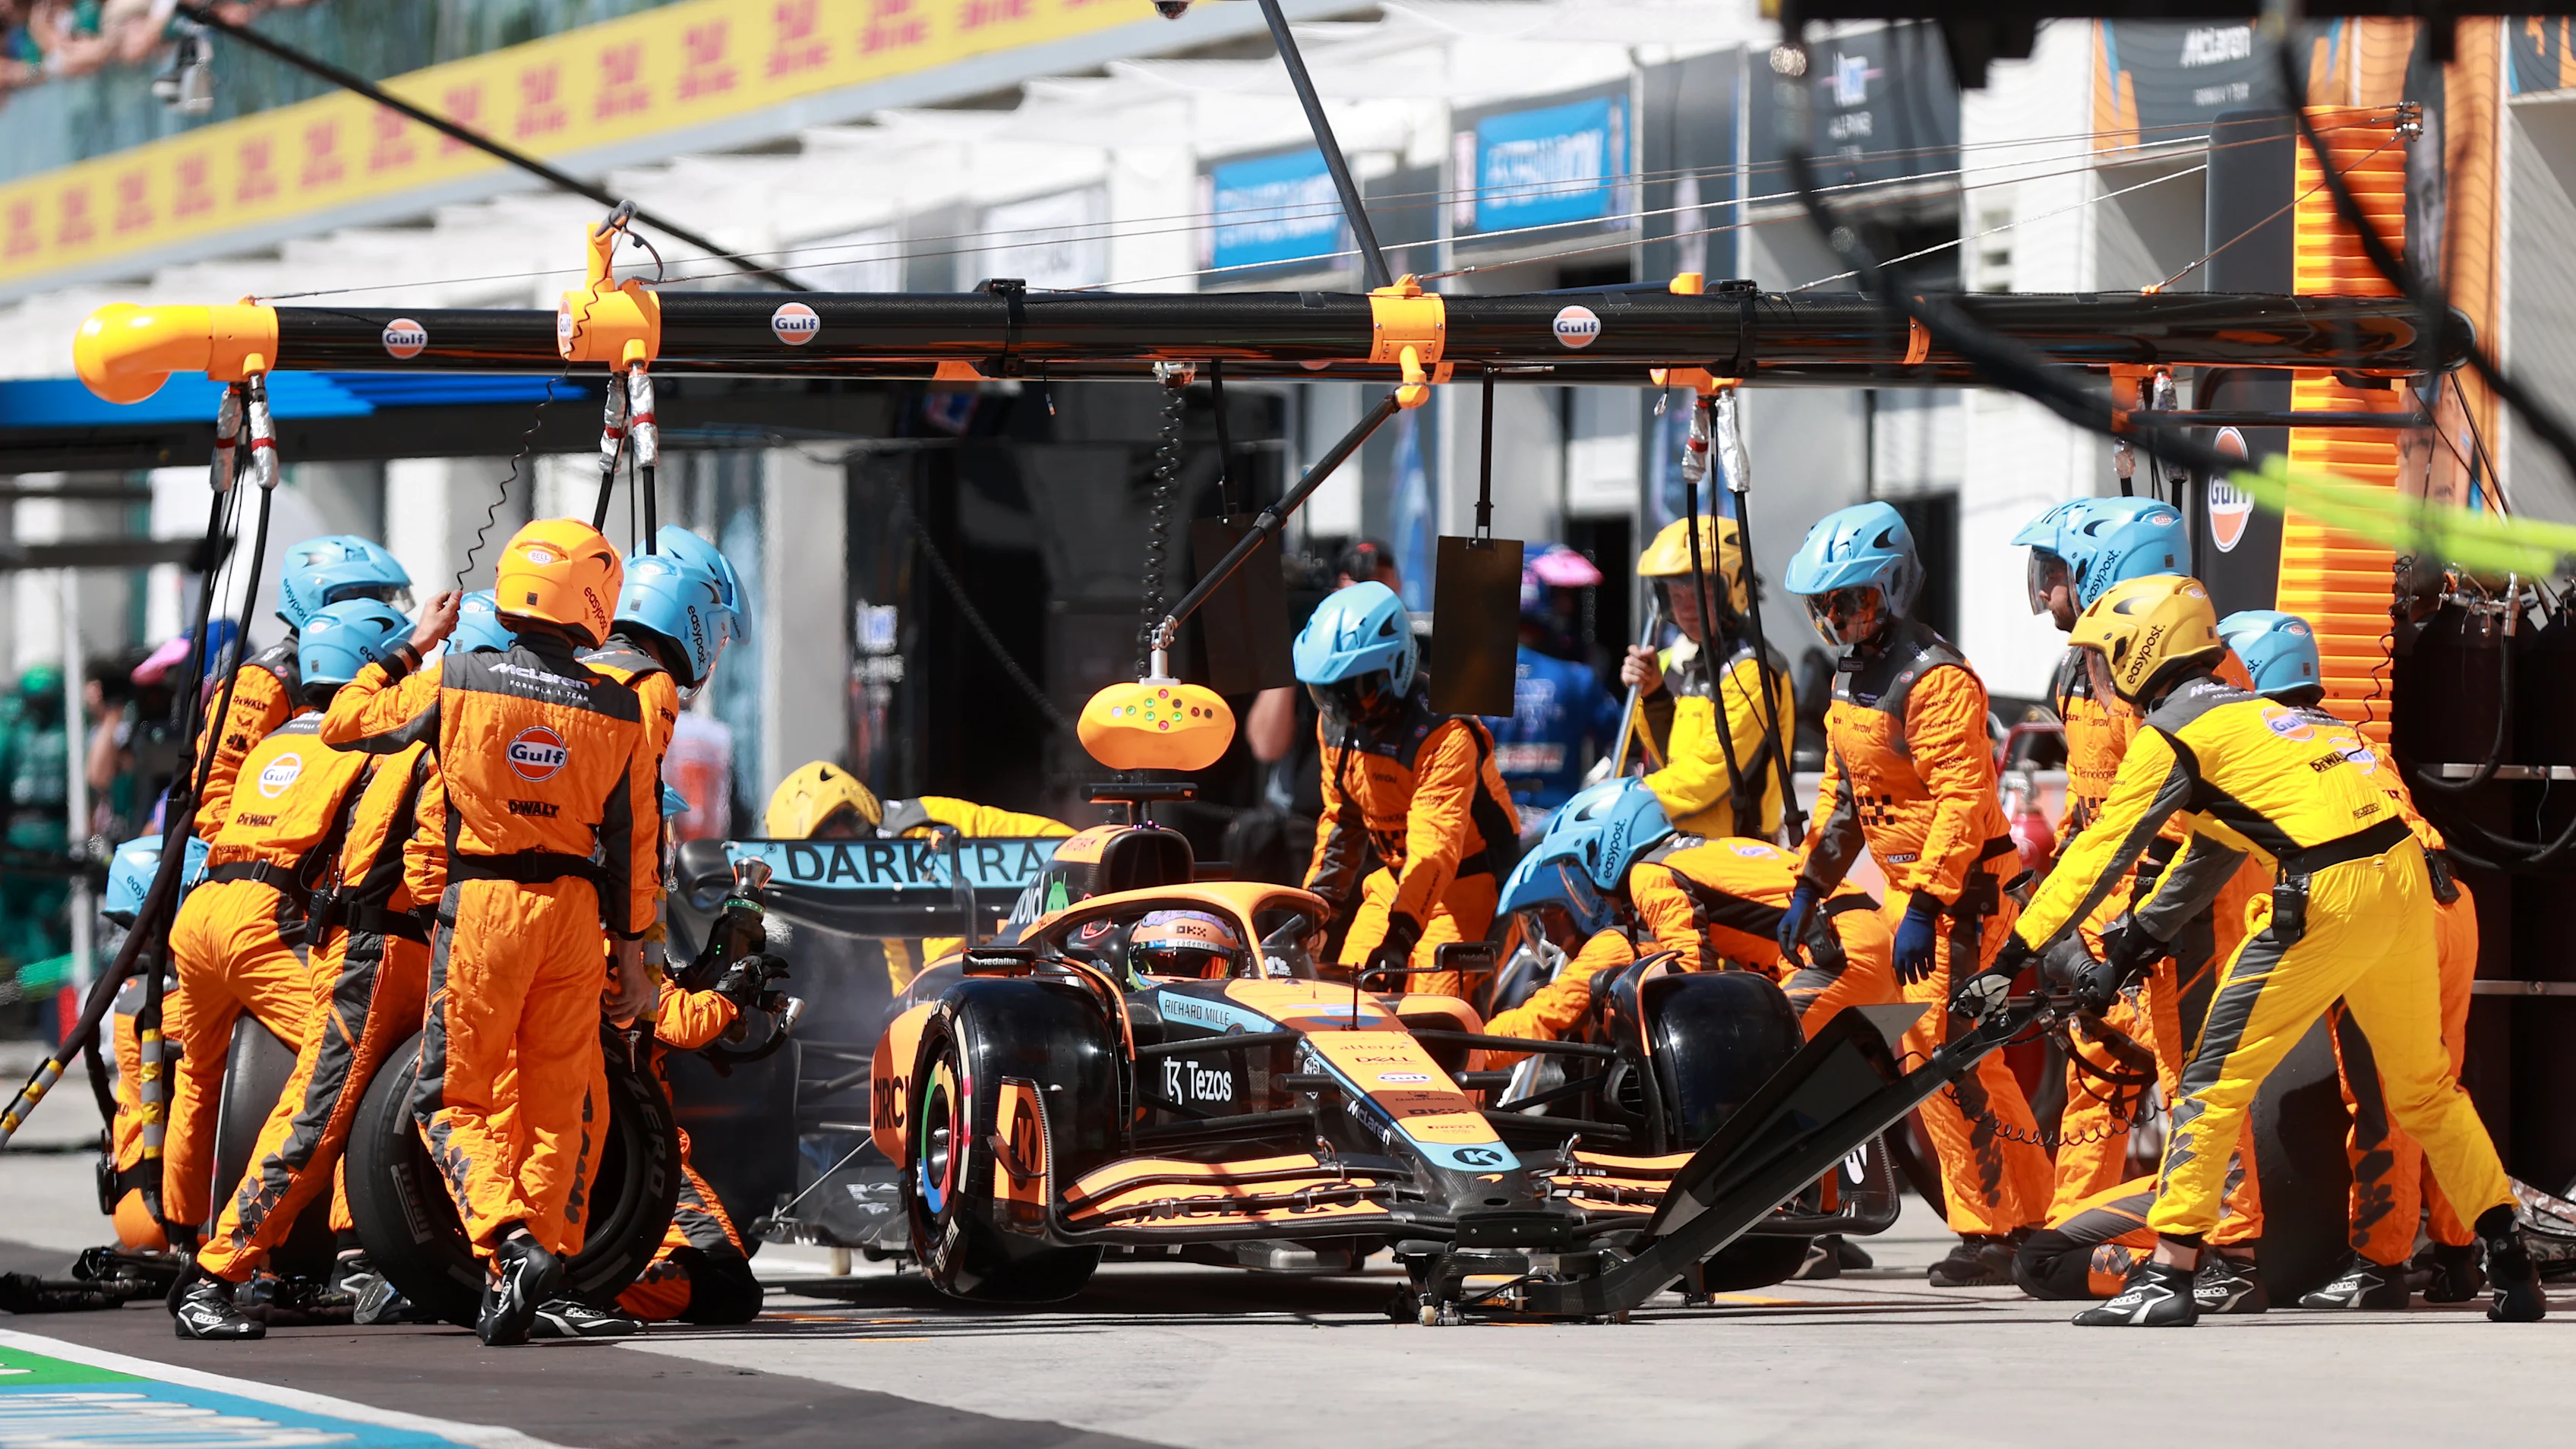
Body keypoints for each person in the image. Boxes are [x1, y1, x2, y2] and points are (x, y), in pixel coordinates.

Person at [1964, 574, 2543, 1327]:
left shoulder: (2171, 731)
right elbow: (2205, 856)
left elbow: (2098, 854)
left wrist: (2010, 957)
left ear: (2143, 655)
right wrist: (2128, 951)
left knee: (2207, 1082)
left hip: (2324, 892)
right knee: (2424, 1090)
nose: (2100, 684)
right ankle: (2507, 1258)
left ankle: (2170, 1276)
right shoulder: (2264, 718)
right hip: (2403, 883)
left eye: (2105, 663)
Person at [321, 519, 660, 1347]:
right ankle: (537, 1266)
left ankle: (507, 1239)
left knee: (446, 1098)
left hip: (483, 906)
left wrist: (412, 642)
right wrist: (637, 955)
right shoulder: (620, 707)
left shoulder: (458, 674)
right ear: (594, 597)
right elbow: (635, 846)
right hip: (577, 918)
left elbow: (344, 724)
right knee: (559, 1109)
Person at [1779, 500, 2051, 1287]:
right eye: (1825, 606)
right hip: (1913, 895)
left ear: (1890, 589)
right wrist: (1809, 883)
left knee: (1948, 1048)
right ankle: (2009, 1220)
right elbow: (1843, 796)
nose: (1835, 620)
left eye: (1850, 601)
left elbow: (1964, 801)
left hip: (1965, 890)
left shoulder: (1934, 680)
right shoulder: (1850, 675)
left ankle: (2005, 1227)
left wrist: (1929, 904)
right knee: (1926, 1048)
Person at [2014, 495, 2270, 1313]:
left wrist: (2140, 930)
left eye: (2054, 573)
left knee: (2190, 1080)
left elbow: (2176, 824)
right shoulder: (2084, 666)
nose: (2043, 590)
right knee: (2095, 1076)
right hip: (2111, 909)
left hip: (2183, 914)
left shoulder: (2177, 677)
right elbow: (2096, 811)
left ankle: (2228, 1248)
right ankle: (2062, 1235)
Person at [2215, 608, 2487, 1311]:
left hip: (2385, 912)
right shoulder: (2354, 738)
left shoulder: (2265, 750)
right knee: (2439, 1090)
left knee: (2380, 1099)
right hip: (2447, 900)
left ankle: (2381, 1265)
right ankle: (2460, 1255)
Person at [169, 601, 420, 1340]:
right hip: (261, 924)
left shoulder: (273, 739)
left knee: (196, 1078)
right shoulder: (362, 747)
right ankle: (359, 1257)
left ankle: (182, 1231)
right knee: (346, 1075)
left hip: (201, 916)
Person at [1294, 580, 1519, 998]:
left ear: (1396, 668)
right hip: (1395, 878)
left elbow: (1436, 849)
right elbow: (1341, 825)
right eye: (1327, 696)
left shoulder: (1446, 732)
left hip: (1470, 885)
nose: (1343, 711)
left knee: (1437, 1017)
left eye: (1355, 692)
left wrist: (1399, 940)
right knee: (1350, 997)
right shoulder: (1337, 729)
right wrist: (1311, 915)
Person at [762, 761, 1072, 992]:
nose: (837, 839)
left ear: (857, 807)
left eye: (838, 822)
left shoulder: (911, 833)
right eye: (821, 840)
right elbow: (900, 953)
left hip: (1069, 877)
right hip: (1022, 920)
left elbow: (942, 923)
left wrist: (934, 994)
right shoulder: (876, 870)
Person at [196, 536, 409, 830]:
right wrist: (240, 860)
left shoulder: (366, 671)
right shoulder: (264, 680)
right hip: (271, 862)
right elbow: (217, 784)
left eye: (386, 600)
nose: (383, 610)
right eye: (372, 599)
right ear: (323, 599)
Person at [1619, 516, 1795, 843]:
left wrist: (1626, 797)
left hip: (1737, 861)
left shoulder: (1751, 671)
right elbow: (1676, 760)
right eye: (1676, 595)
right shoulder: (1702, 663)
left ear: (1735, 588)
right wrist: (1655, 696)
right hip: (1690, 847)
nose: (1687, 608)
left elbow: (1706, 777)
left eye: (1701, 593)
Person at [1486, 545, 1624, 829]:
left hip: (1490, 828)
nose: (1568, 607)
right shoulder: (1577, 678)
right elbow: (1625, 740)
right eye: (1560, 596)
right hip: (1557, 828)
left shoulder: (1474, 678)